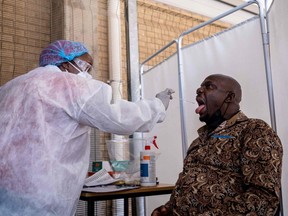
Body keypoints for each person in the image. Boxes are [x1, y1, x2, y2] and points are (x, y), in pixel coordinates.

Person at [0, 40, 175, 216]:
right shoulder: (66, 84)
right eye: (85, 67)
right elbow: (118, 118)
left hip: (6, 188)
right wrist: (157, 105)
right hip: (41, 193)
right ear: (65, 63)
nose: (88, 76)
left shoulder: (10, 87)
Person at [152, 74, 282, 216]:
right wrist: (168, 209)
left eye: (208, 86)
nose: (199, 90)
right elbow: (186, 186)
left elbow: (263, 200)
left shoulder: (254, 130)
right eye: (200, 87)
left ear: (229, 97)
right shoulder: (198, 142)